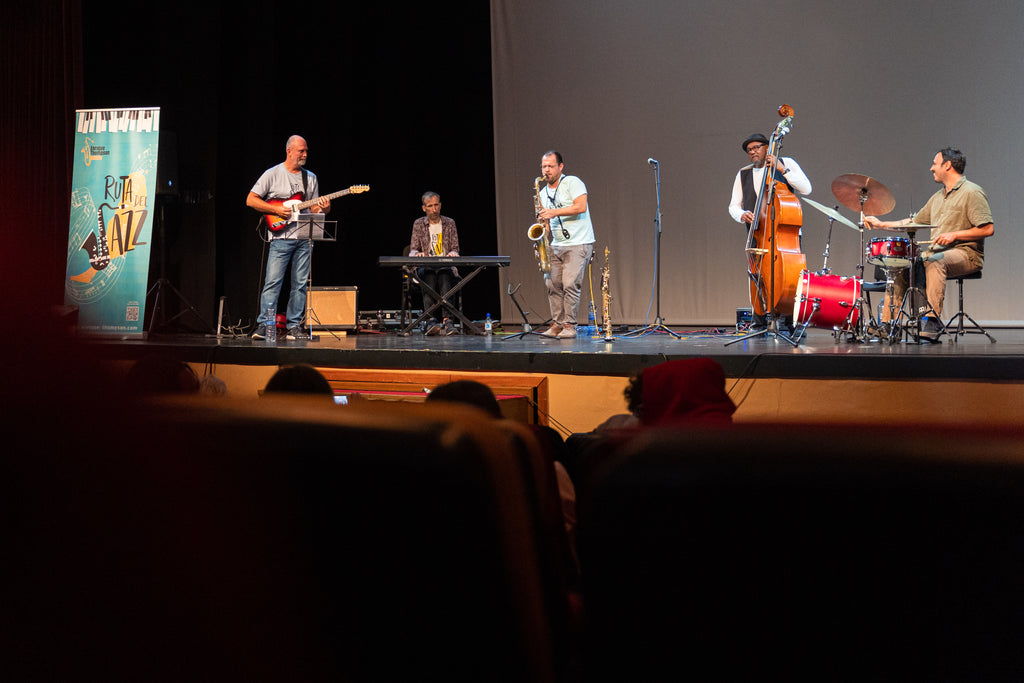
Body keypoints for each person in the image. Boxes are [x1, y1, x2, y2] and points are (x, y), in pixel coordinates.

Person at [864, 147, 994, 341]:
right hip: (938, 254)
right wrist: (881, 223)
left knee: (934, 261)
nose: (931, 168)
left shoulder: (972, 192)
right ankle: (890, 324)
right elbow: (913, 222)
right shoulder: (938, 197)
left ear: (947, 165)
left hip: (966, 254)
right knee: (903, 265)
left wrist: (954, 235)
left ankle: (931, 321)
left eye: (935, 163)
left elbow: (987, 229)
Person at [247, 135, 331, 341]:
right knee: (273, 282)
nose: (304, 154)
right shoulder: (273, 173)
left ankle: (294, 326)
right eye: (301, 151)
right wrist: (274, 208)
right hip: (280, 237)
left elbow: (313, 208)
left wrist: (324, 208)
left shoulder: (310, 177)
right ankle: (265, 326)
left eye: (306, 151)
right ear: (289, 151)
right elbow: (251, 200)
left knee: (300, 283)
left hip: (303, 237)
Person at [728, 133, 812, 331]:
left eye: (757, 147)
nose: (753, 152)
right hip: (757, 235)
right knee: (757, 276)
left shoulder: (786, 163)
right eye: (749, 150)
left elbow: (806, 189)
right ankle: (759, 321)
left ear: (768, 147)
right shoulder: (743, 173)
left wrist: (782, 169)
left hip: (784, 237)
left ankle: (791, 322)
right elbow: (733, 206)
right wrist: (741, 215)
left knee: (790, 278)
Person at [536, 151, 596, 339]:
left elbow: (581, 206)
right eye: (544, 166)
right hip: (557, 244)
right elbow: (547, 223)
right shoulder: (543, 192)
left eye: (551, 166)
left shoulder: (572, 182)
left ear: (560, 167)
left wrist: (553, 212)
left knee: (570, 284)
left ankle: (570, 325)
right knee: (552, 284)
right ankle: (557, 324)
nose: (547, 170)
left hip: (578, 242)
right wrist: (542, 240)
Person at [408, 191, 460, 335]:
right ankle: (430, 320)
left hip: (444, 265)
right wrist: (417, 254)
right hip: (426, 267)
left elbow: (455, 249)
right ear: (424, 208)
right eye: (430, 206)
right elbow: (412, 250)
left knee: (444, 274)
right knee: (429, 275)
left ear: (440, 205)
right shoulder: (419, 224)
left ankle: (447, 320)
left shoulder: (449, 223)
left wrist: (453, 254)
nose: (434, 209)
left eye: (436, 205)